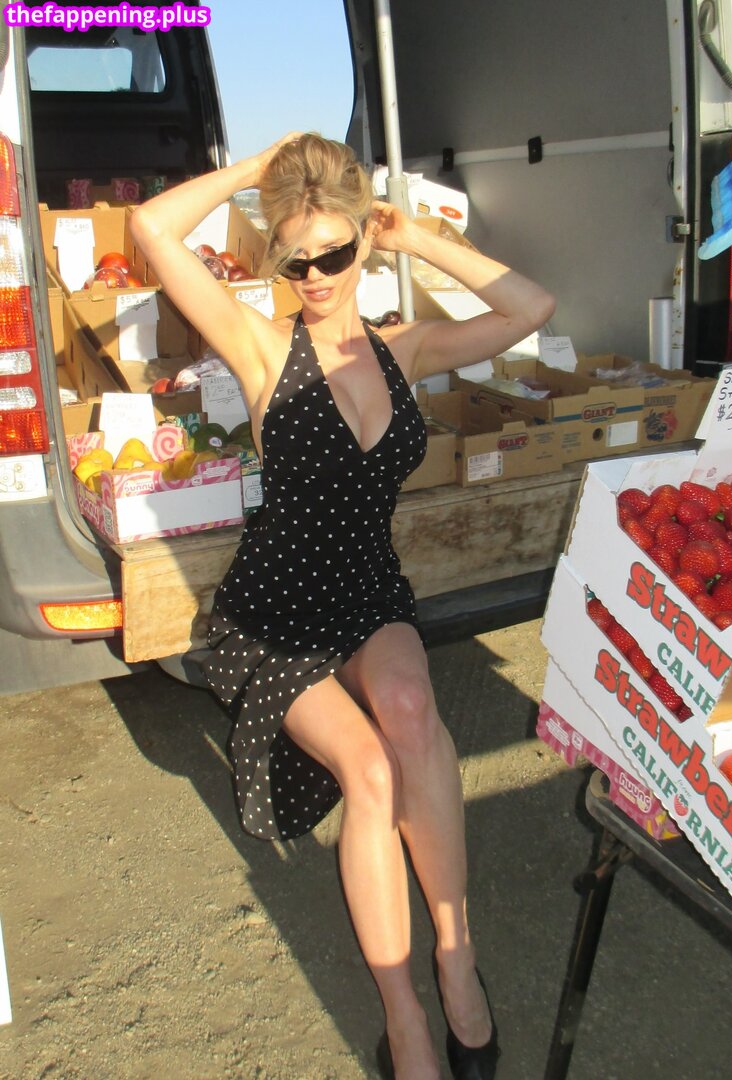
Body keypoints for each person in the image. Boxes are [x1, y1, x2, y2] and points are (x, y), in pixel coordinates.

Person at [130, 132, 555, 1079]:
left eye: (335, 253)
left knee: (410, 708)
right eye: (296, 260)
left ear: (362, 242)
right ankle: (405, 1020)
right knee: (367, 771)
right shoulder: (259, 345)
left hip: (367, 593)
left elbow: (532, 308)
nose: (316, 276)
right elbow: (151, 227)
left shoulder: (409, 348)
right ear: (276, 260)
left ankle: (456, 961)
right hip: (275, 612)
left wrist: (415, 238)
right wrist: (260, 172)